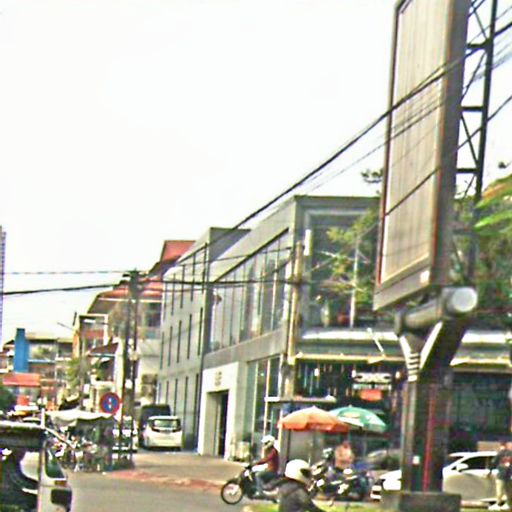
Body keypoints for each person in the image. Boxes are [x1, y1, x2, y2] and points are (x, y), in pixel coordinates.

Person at [489, 440, 512, 511]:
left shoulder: (499, 453)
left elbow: (493, 463)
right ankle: (509, 504)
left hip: (501, 475)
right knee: (508, 491)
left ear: (501, 445)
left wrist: (489, 472)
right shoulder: (510, 453)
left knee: (499, 490)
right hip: (509, 475)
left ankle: (498, 504)